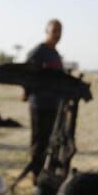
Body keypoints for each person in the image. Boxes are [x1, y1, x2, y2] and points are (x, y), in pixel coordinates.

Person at [24, 19, 64, 182]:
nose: (57, 34)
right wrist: (26, 91)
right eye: (54, 31)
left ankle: (45, 174)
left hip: (54, 104)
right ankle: (36, 175)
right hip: (39, 104)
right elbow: (27, 73)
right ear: (46, 31)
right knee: (39, 141)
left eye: (59, 31)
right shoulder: (39, 52)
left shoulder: (55, 54)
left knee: (50, 140)